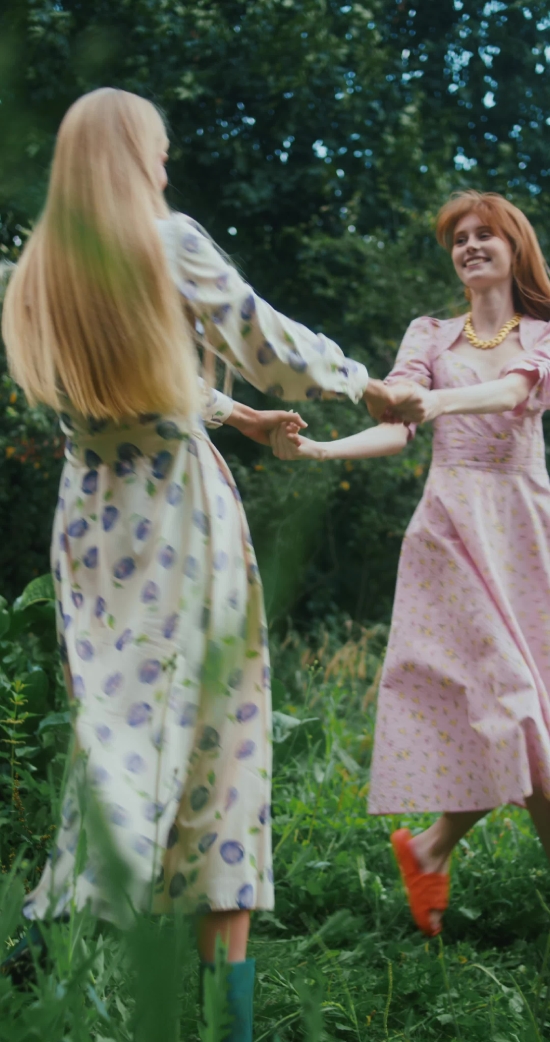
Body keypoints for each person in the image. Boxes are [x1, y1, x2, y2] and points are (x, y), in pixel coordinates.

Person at [1, 87, 411, 1033]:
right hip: (178, 519)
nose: (166, 163)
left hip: (90, 521)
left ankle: (68, 933)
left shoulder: (39, 276)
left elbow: (144, 379)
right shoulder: (168, 240)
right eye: (158, 147)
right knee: (220, 739)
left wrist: (238, 415)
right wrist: (368, 386)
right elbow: (267, 341)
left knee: (118, 720)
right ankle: (69, 929)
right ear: (129, 153)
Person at [271, 189, 550, 938]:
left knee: (533, 719)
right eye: (459, 238)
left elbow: (514, 391)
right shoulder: (428, 333)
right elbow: (398, 422)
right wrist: (321, 448)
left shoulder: (543, 337)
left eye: (485, 234)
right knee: (519, 709)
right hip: (451, 536)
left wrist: (436, 404)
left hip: (523, 535)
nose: (470, 246)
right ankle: (431, 848)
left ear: (515, 248)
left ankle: (429, 848)